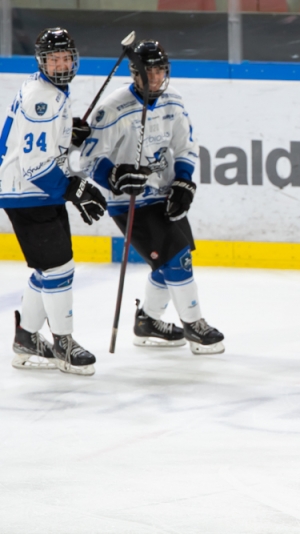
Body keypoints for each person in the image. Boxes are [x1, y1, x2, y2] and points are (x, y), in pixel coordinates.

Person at [80, 40, 224, 355]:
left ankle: (147, 321)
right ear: (135, 73)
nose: (156, 78)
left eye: (160, 70)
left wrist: (184, 182)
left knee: (175, 257)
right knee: (177, 259)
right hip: (130, 200)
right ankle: (194, 325)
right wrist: (114, 176)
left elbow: (186, 145)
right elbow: (88, 158)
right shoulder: (114, 107)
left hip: (165, 191)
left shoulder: (173, 100)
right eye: (149, 72)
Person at [0, 27, 106, 376]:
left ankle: (28, 338)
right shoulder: (42, 97)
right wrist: (75, 189)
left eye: (65, 57)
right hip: (27, 191)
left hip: (38, 190)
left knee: (50, 266)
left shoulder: (49, 90)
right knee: (60, 267)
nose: (60, 64)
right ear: (41, 61)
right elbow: (32, 165)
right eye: (53, 58)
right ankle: (64, 343)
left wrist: (66, 134)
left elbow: (38, 145)